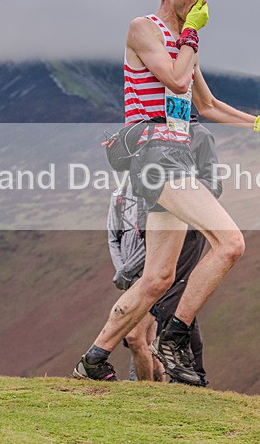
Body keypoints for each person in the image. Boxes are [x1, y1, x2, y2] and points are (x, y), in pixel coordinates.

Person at [73, 0, 260, 385]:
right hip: (155, 155)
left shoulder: (184, 45)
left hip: (180, 153)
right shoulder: (143, 29)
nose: (203, 0)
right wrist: (191, 33)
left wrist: (258, 123)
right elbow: (174, 80)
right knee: (230, 243)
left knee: (157, 279)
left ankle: (93, 360)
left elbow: (203, 104)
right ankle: (174, 337)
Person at [108, 119, 219, 384]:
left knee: (175, 304)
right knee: (145, 329)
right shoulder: (150, 135)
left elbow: (213, 184)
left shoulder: (200, 135)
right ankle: (166, 381)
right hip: (156, 233)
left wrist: (182, 197)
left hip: (187, 228)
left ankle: (190, 376)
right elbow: (115, 233)